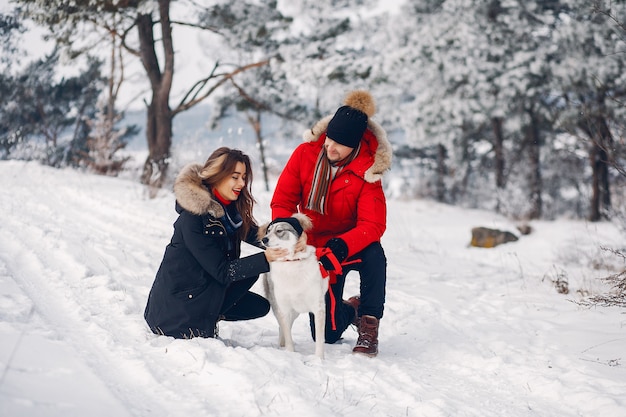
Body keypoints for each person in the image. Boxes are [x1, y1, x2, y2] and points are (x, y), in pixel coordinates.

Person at [271, 90, 392, 357]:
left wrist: (343, 245)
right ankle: (354, 309)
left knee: (375, 255)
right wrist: (291, 230)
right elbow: (282, 201)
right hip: (314, 247)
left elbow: (373, 224)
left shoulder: (368, 170)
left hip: (347, 246)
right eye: (329, 140)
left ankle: (369, 323)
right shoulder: (305, 154)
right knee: (327, 334)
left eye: (339, 144)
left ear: (356, 144)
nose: (330, 148)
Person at [144, 147, 287, 339]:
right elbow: (223, 272)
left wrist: (286, 242)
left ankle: (209, 315)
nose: (242, 183)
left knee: (259, 304)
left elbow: (256, 236)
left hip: (203, 288)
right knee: (255, 266)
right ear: (217, 176)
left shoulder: (229, 213)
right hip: (175, 310)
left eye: (244, 177)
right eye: (235, 177)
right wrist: (267, 258)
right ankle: (198, 321)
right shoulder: (193, 219)